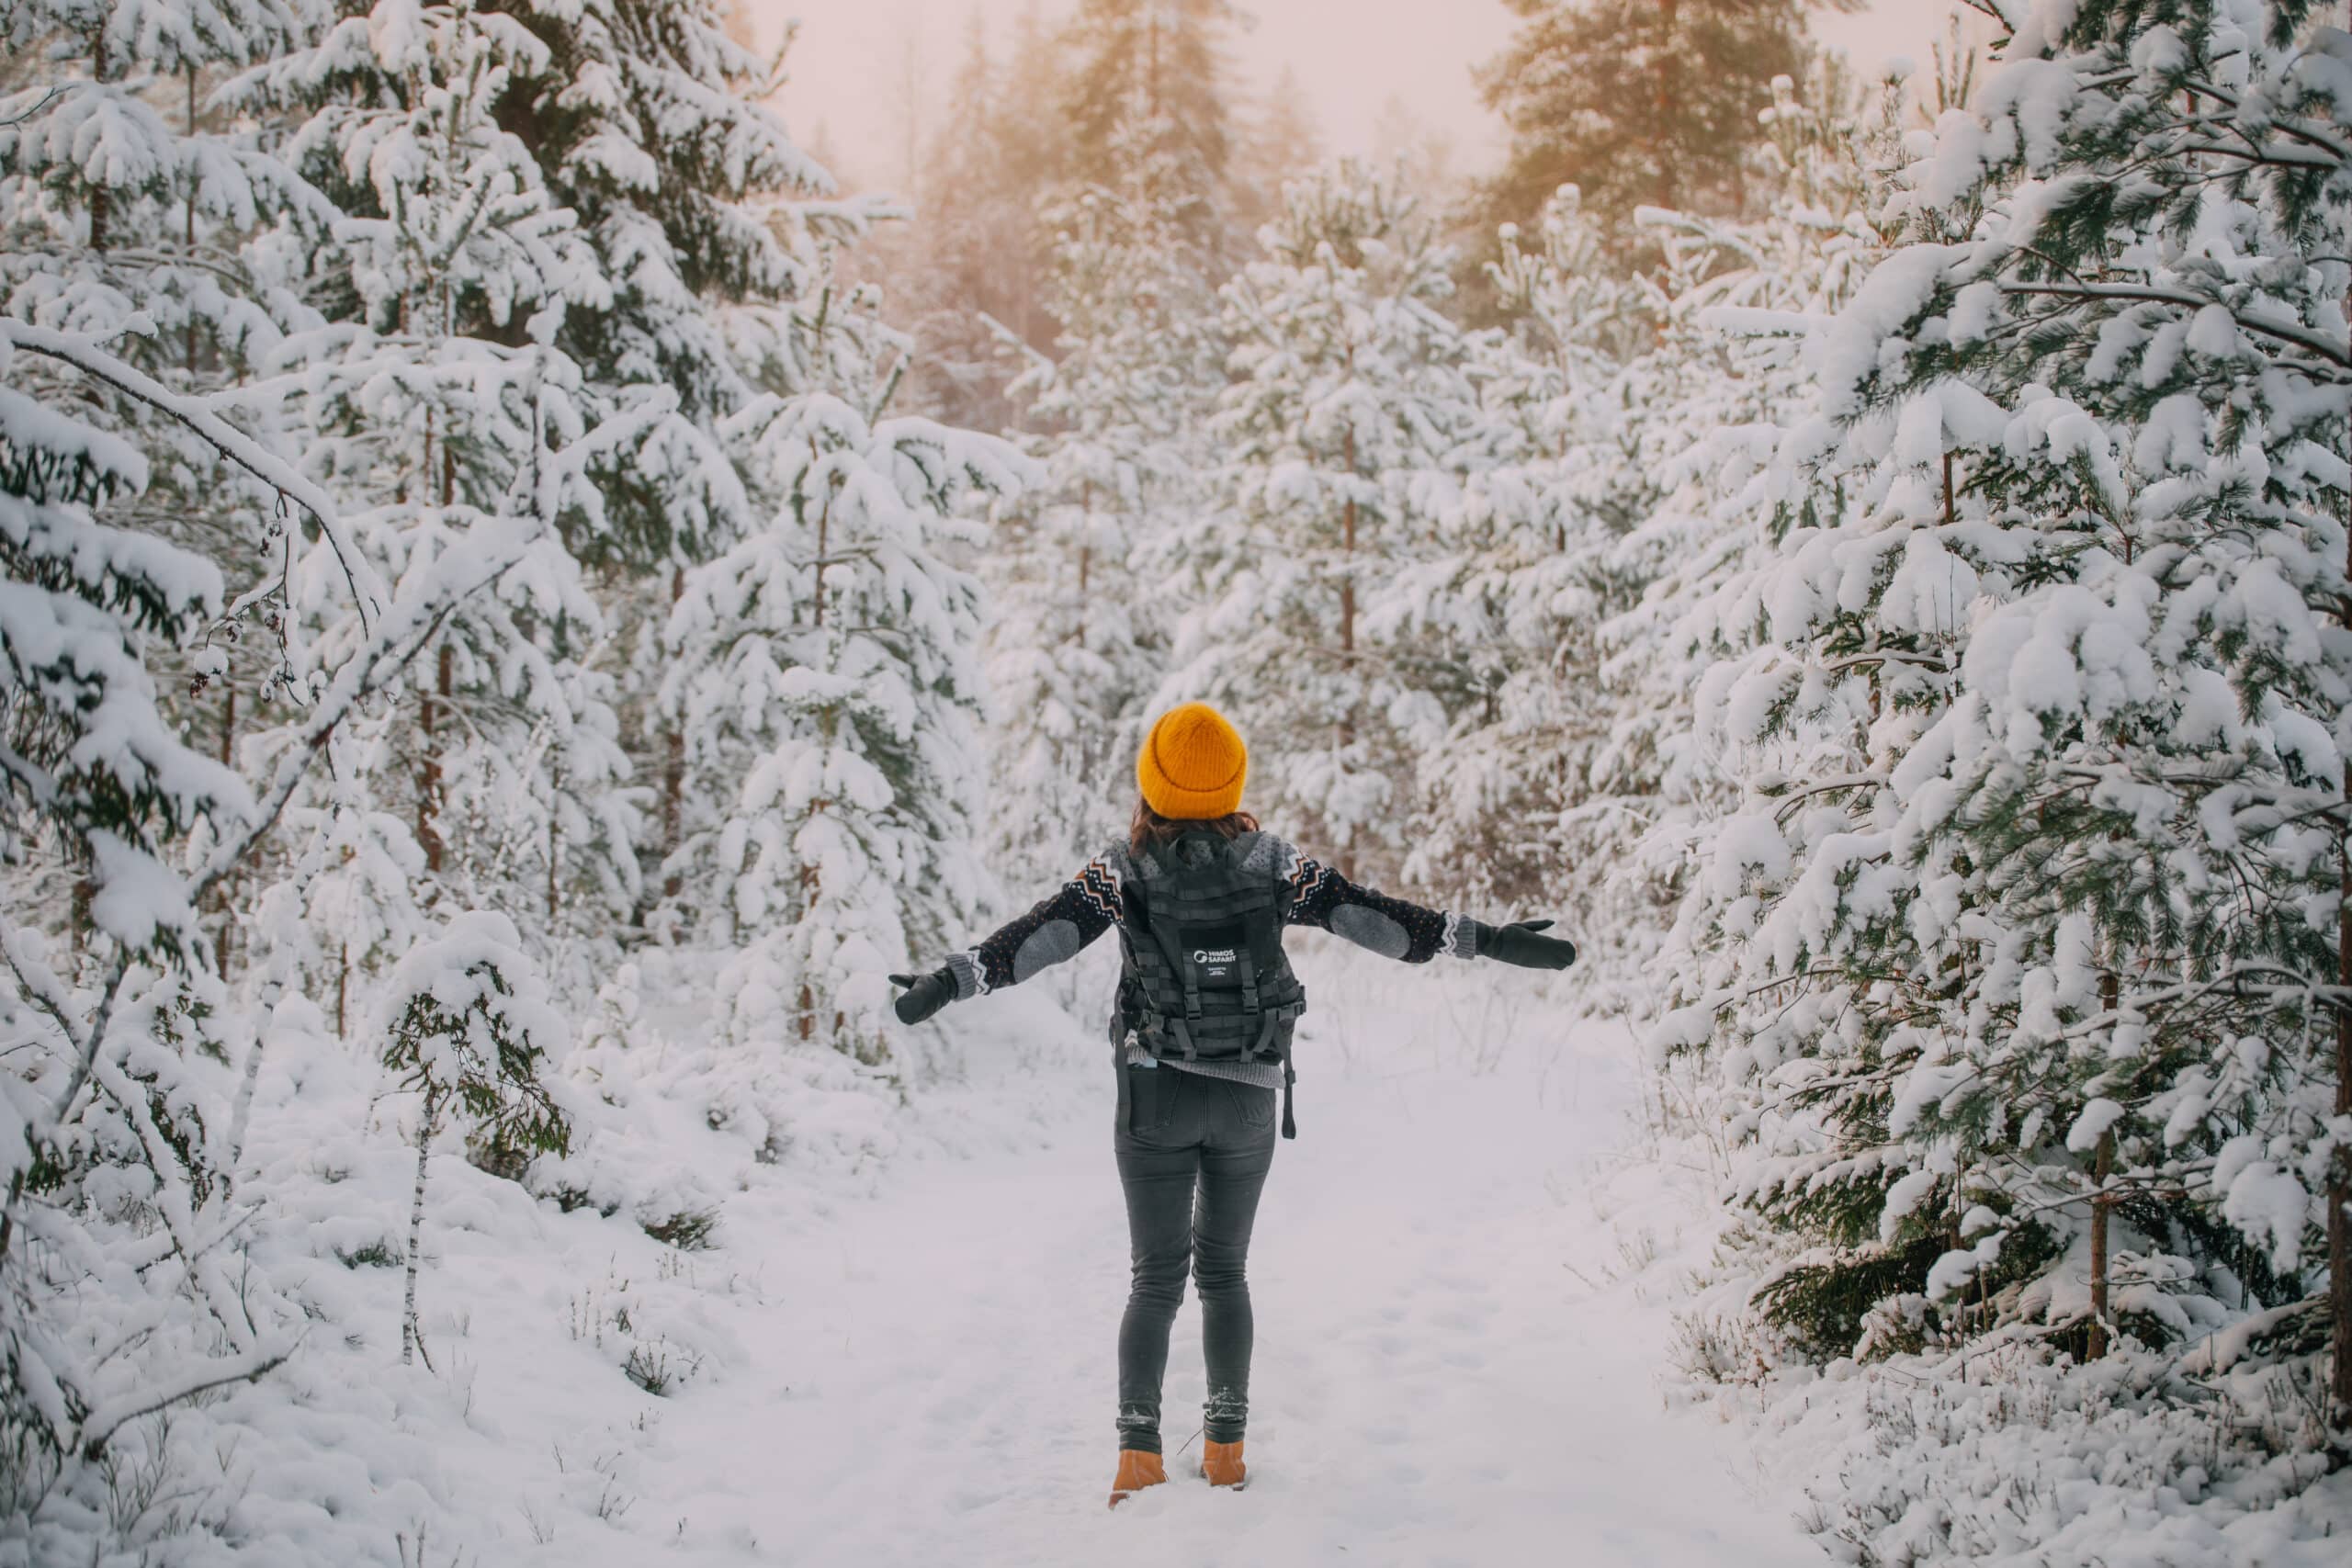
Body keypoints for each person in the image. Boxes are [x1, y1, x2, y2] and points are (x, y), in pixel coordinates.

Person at [888, 703, 1577, 1507]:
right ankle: (1223, 1452)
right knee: (1224, 1273)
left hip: (1154, 1098)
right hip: (1248, 1097)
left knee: (1154, 1281)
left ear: (1153, 782)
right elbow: (1381, 922)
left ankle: (1137, 1459)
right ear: (1231, 784)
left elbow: (1036, 940)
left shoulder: (1120, 870)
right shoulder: (1275, 864)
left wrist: (947, 981)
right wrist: (1488, 938)